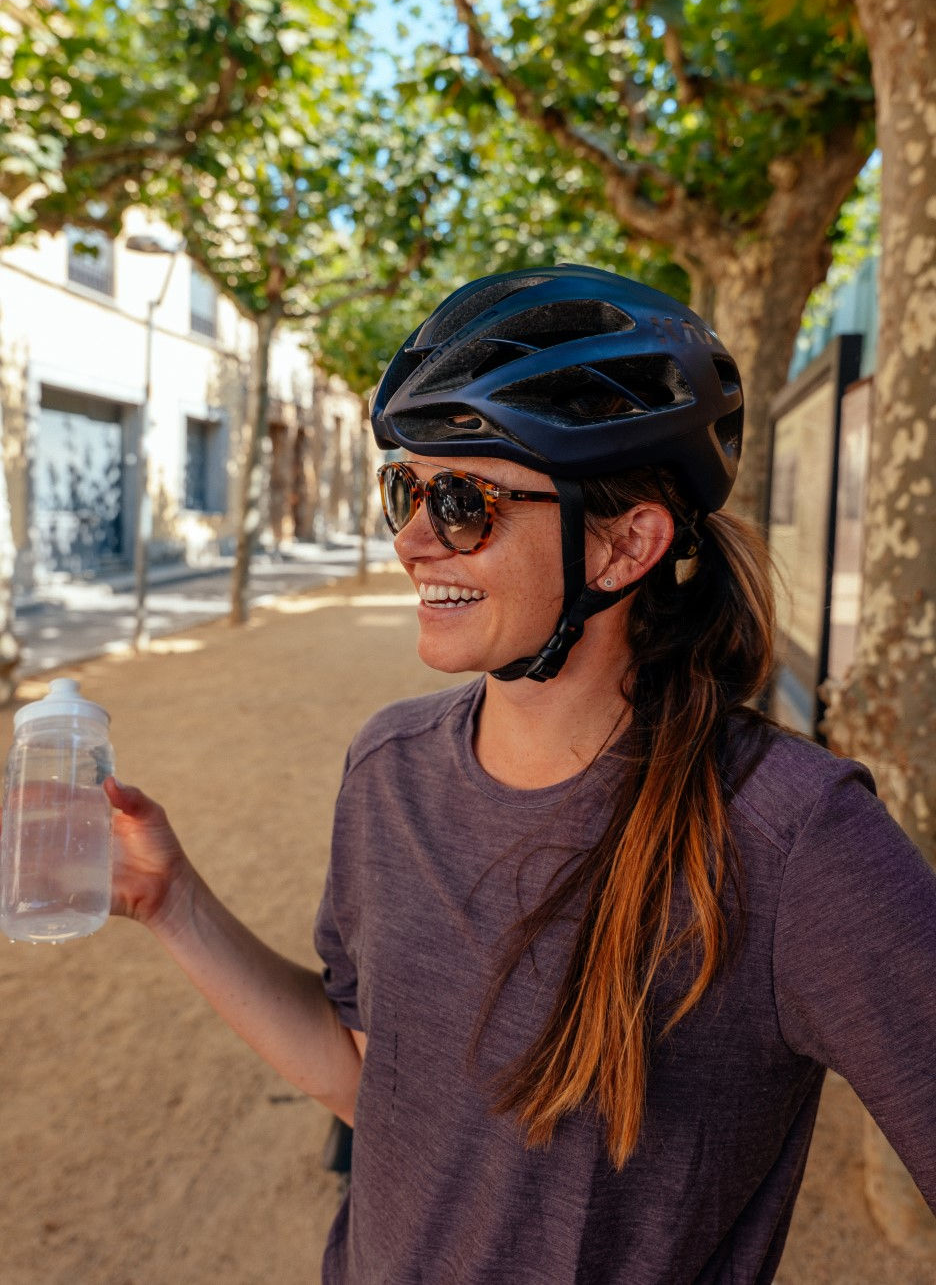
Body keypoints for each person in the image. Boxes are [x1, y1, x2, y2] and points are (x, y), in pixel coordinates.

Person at [103, 265, 935, 1284]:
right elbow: (378, 1085)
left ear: (628, 545)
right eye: (405, 487)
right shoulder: (388, 770)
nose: (410, 541)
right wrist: (169, 899)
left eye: (463, 500)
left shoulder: (792, 837)